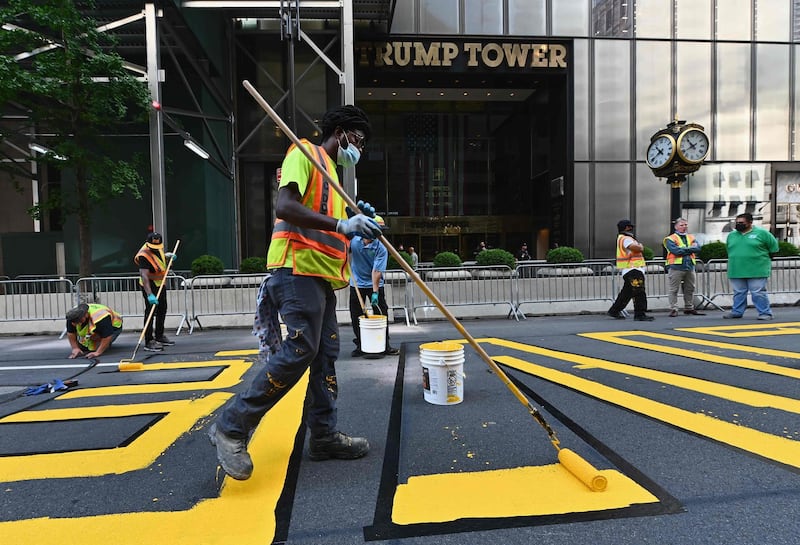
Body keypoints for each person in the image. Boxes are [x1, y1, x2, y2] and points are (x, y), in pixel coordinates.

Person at [208, 104, 381, 481]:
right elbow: (285, 206)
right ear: (341, 133)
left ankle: (323, 436)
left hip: (319, 278)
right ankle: (231, 427)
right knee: (301, 349)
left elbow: (335, 230)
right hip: (295, 270)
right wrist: (342, 222)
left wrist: (363, 224)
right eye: (359, 139)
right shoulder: (305, 154)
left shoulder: (334, 177)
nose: (360, 149)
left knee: (326, 356)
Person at [348, 215, 400, 358]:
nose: (379, 233)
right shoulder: (355, 241)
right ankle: (360, 345)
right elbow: (344, 248)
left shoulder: (381, 248)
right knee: (356, 316)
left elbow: (376, 272)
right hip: (356, 284)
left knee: (381, 314)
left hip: (374, 284)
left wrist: (375, 292)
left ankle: (384, 345)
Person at [724, 212, 779, 320]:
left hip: (757, 269)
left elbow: (774, 249)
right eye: (737, 222)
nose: (738, 224)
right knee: (738, 293)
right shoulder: (731, 235)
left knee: (758, 292)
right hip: (736, 269)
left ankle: (765, 313)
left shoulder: (763, 233)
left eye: (741, 222)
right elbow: (729, 250)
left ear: (750, 222)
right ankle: (737, 312)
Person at [134, 231, 177, 351]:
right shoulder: (143, 255)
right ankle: (149, 341)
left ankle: (159, 336)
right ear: (148, 244)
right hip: (149, 285)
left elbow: (159, 262)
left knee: (162, 309)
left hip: (160, 284)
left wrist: (167, 257)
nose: (155, 249)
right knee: (150, 312)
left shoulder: (158, 248)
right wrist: (150, 294)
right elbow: (144, 276)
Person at [607, 219, 655, 321]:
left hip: (629, 269)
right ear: (627, 228)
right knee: (639, 291)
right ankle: (640, 314)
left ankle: (614, 311)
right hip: (633, 269)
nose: (632, 228)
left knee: (627, 293)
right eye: (630, 226)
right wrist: (640, 246)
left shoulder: (622, 238)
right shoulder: (626, 238)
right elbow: (635, 248)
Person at [663, 218, 705, 317]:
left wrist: (684, 249)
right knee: (674, 289)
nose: (684, 227)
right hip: (676, 266)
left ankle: (689, 308)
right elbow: (676, 251)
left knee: (690, 288)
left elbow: (698, 248)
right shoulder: (670, 239)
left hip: (689, 266)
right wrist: (691, 249)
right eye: (682, 225)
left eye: (685, 225)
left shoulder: (691, 237)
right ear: (676, 226)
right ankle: (674, 308)